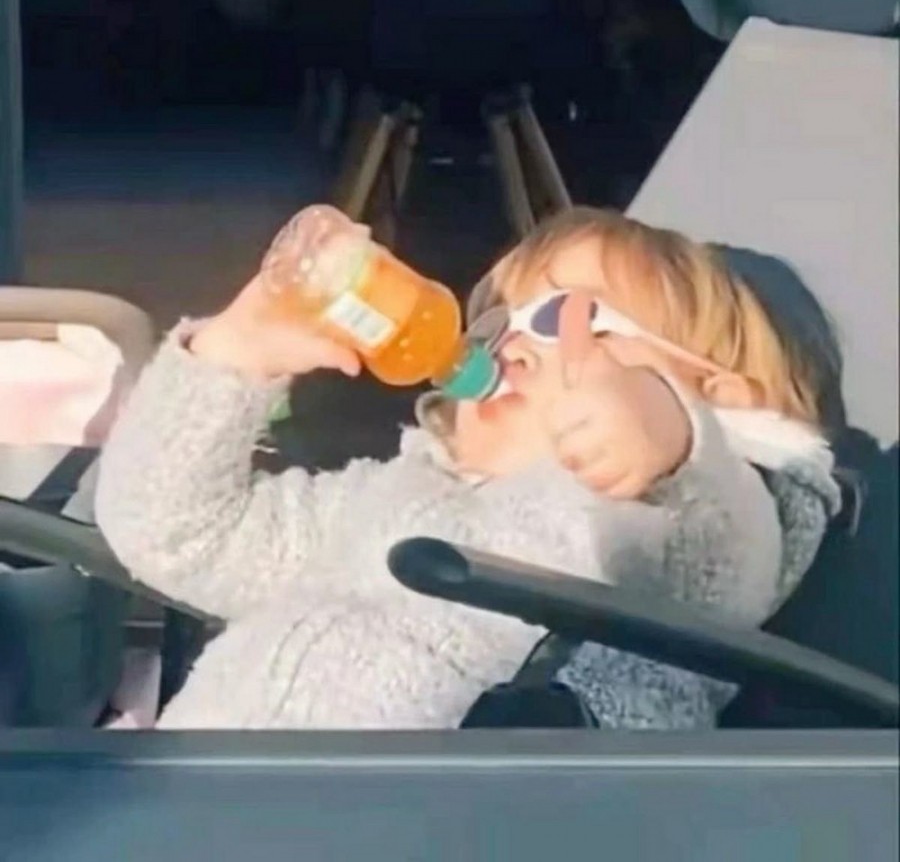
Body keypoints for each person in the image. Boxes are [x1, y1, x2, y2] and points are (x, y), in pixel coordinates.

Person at [95, 205, 840, 729]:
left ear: (719, 397)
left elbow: (729, 544)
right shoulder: (380, 500)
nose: (512, 345)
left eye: (570, 319)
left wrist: (670, 429)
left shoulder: (666, 533)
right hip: (187, 806)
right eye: (499, 322)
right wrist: (232, 356)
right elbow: (178, 534)